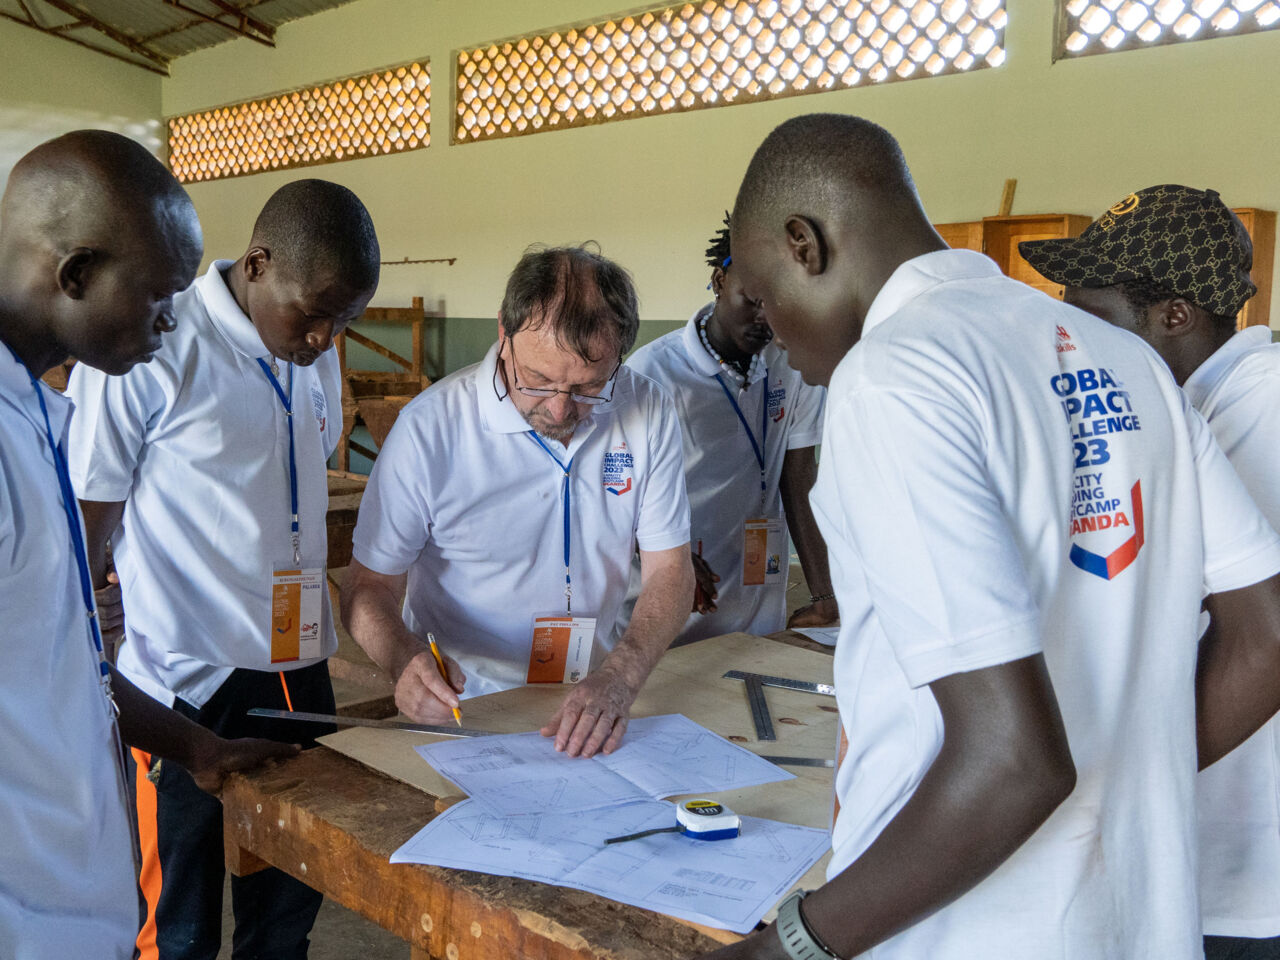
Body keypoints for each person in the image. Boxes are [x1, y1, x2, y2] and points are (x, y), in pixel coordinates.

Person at [699, 113, 1280, 960]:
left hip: (968, 928)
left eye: (761, 295)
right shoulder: (1123, 358)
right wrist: (1121, 785)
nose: (775, 334)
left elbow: (1013, 762)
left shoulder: (893, 376)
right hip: (1139, 916)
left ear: (804, 244)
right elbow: (1264, 637)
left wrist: (787, 944)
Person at [0, 130, 297, 960]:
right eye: (161, 294)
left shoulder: (38, 412)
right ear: (77, 274)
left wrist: (197, 746)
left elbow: (63, 661)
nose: (174, 320)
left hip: (77, 894)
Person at [65, 178, 380, 960]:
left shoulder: (313, 350)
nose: (323, 340)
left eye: (344, 321)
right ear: (259, 264)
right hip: (185, 687)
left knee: (288, 909)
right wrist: (91, 642)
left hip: (299, 673)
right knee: (179, 922)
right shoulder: (153, 348)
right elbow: (88, 522)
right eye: (313, 315)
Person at [1021, 184, 1280, 960]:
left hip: (1244, 874)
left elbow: (1265, 642)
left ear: (1174, 316)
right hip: (1194, 846)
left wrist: (1123, 787)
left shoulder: (1260, 413)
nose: (1073, 342)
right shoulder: (1193, 406)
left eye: (1093, 319)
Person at [343, 245, 694, 759]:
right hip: (464, 707)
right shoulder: (430, 429)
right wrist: (403, 660)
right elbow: (367, 587)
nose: (559, 408)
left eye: (588, 386)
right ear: (503, 336)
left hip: (588, 700)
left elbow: (671, 570)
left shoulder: (647, 408)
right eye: (539, 380)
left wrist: (621, 676)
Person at [620, 216, 835, 645]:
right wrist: (668, 561)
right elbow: (614, 497)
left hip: (758, 595)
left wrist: (825, 592)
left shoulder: (793, 365)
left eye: (781, 302)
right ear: (720, 280)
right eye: (753, 299)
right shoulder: (651, 376)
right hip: (679, 594)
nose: (767, 317)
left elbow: (797, 477)